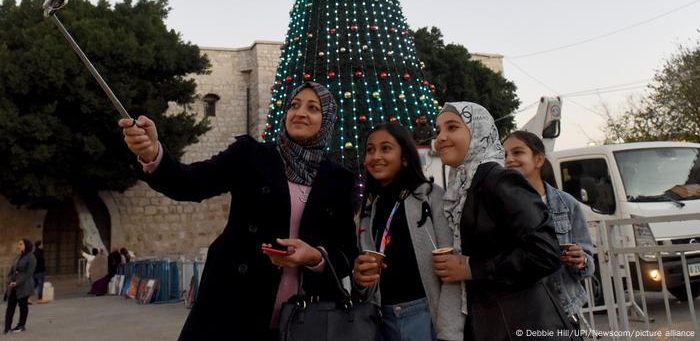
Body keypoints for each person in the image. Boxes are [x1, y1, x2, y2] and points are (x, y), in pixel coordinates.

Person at [118, 82, 358, 341]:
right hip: (234, 305)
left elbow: (346, 253)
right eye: (294, 105)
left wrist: (314, 257)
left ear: (328, 120)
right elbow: (192, 183)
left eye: (313, 108)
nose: (299, 113)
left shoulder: (339, 180)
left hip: (305, 319)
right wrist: (153, 153)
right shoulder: (250, 156)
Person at [430, 102, 574, 341]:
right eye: (438, 130)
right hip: (489, 323)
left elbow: (546, 253)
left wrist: (471, 267)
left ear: (478, 132)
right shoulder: (462, 186)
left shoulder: (500, 181)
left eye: (452, 127)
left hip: (522, 323)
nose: (441, 137)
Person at [353, 123, 463, 341]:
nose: (375, 156)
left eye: (386, 148)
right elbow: (361, 280)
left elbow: (453, 272)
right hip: (379, 319)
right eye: (370, 150)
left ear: (404, 158)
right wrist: (360, 279)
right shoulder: (365, 210)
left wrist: (450, 332)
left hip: (423, 316)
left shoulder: (431, 198)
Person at [503, 130, 595, 324]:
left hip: (562, 310)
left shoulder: (566, 204)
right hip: (519, 312)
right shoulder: (499, 207)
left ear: (539, 160)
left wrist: (581, 260)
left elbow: (588, 265)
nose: (509, 159)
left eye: (517, 152)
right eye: (505, 155)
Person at [4, 239, 37, 334]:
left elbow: (28, 274)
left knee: (23, 306)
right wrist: (10, 280)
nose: (18, 246)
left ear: (26, 245)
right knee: (10, 306)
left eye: (20, 244)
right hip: (13, 286)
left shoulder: (31, 257)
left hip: (24, 286)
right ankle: (7, 327)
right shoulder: (18, 257)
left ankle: (21, 325)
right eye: (18, 244)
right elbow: (12, 271)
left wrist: (17, 282)